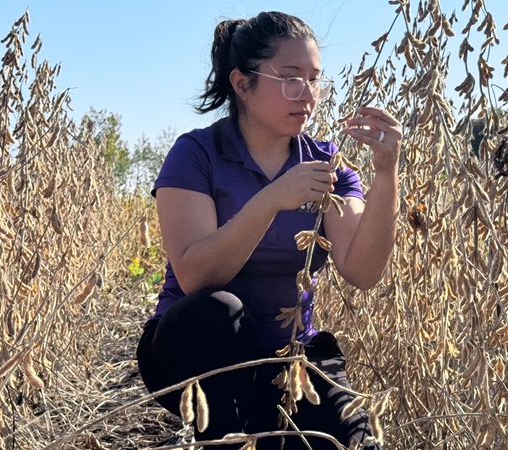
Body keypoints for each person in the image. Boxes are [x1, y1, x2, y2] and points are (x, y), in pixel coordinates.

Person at [136, 11, 402, 450]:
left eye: (316, 79)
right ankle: (222, 437)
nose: (309, 96)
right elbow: (196, 278)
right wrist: (273, 198)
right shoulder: (196, 154)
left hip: (289, 356)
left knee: (353, 443)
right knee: (218, 312)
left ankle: (266, 417)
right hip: (192, 350)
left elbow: (363, 271)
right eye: (291, 78)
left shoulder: (326, 164)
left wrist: (386, 173)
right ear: (241, 83)